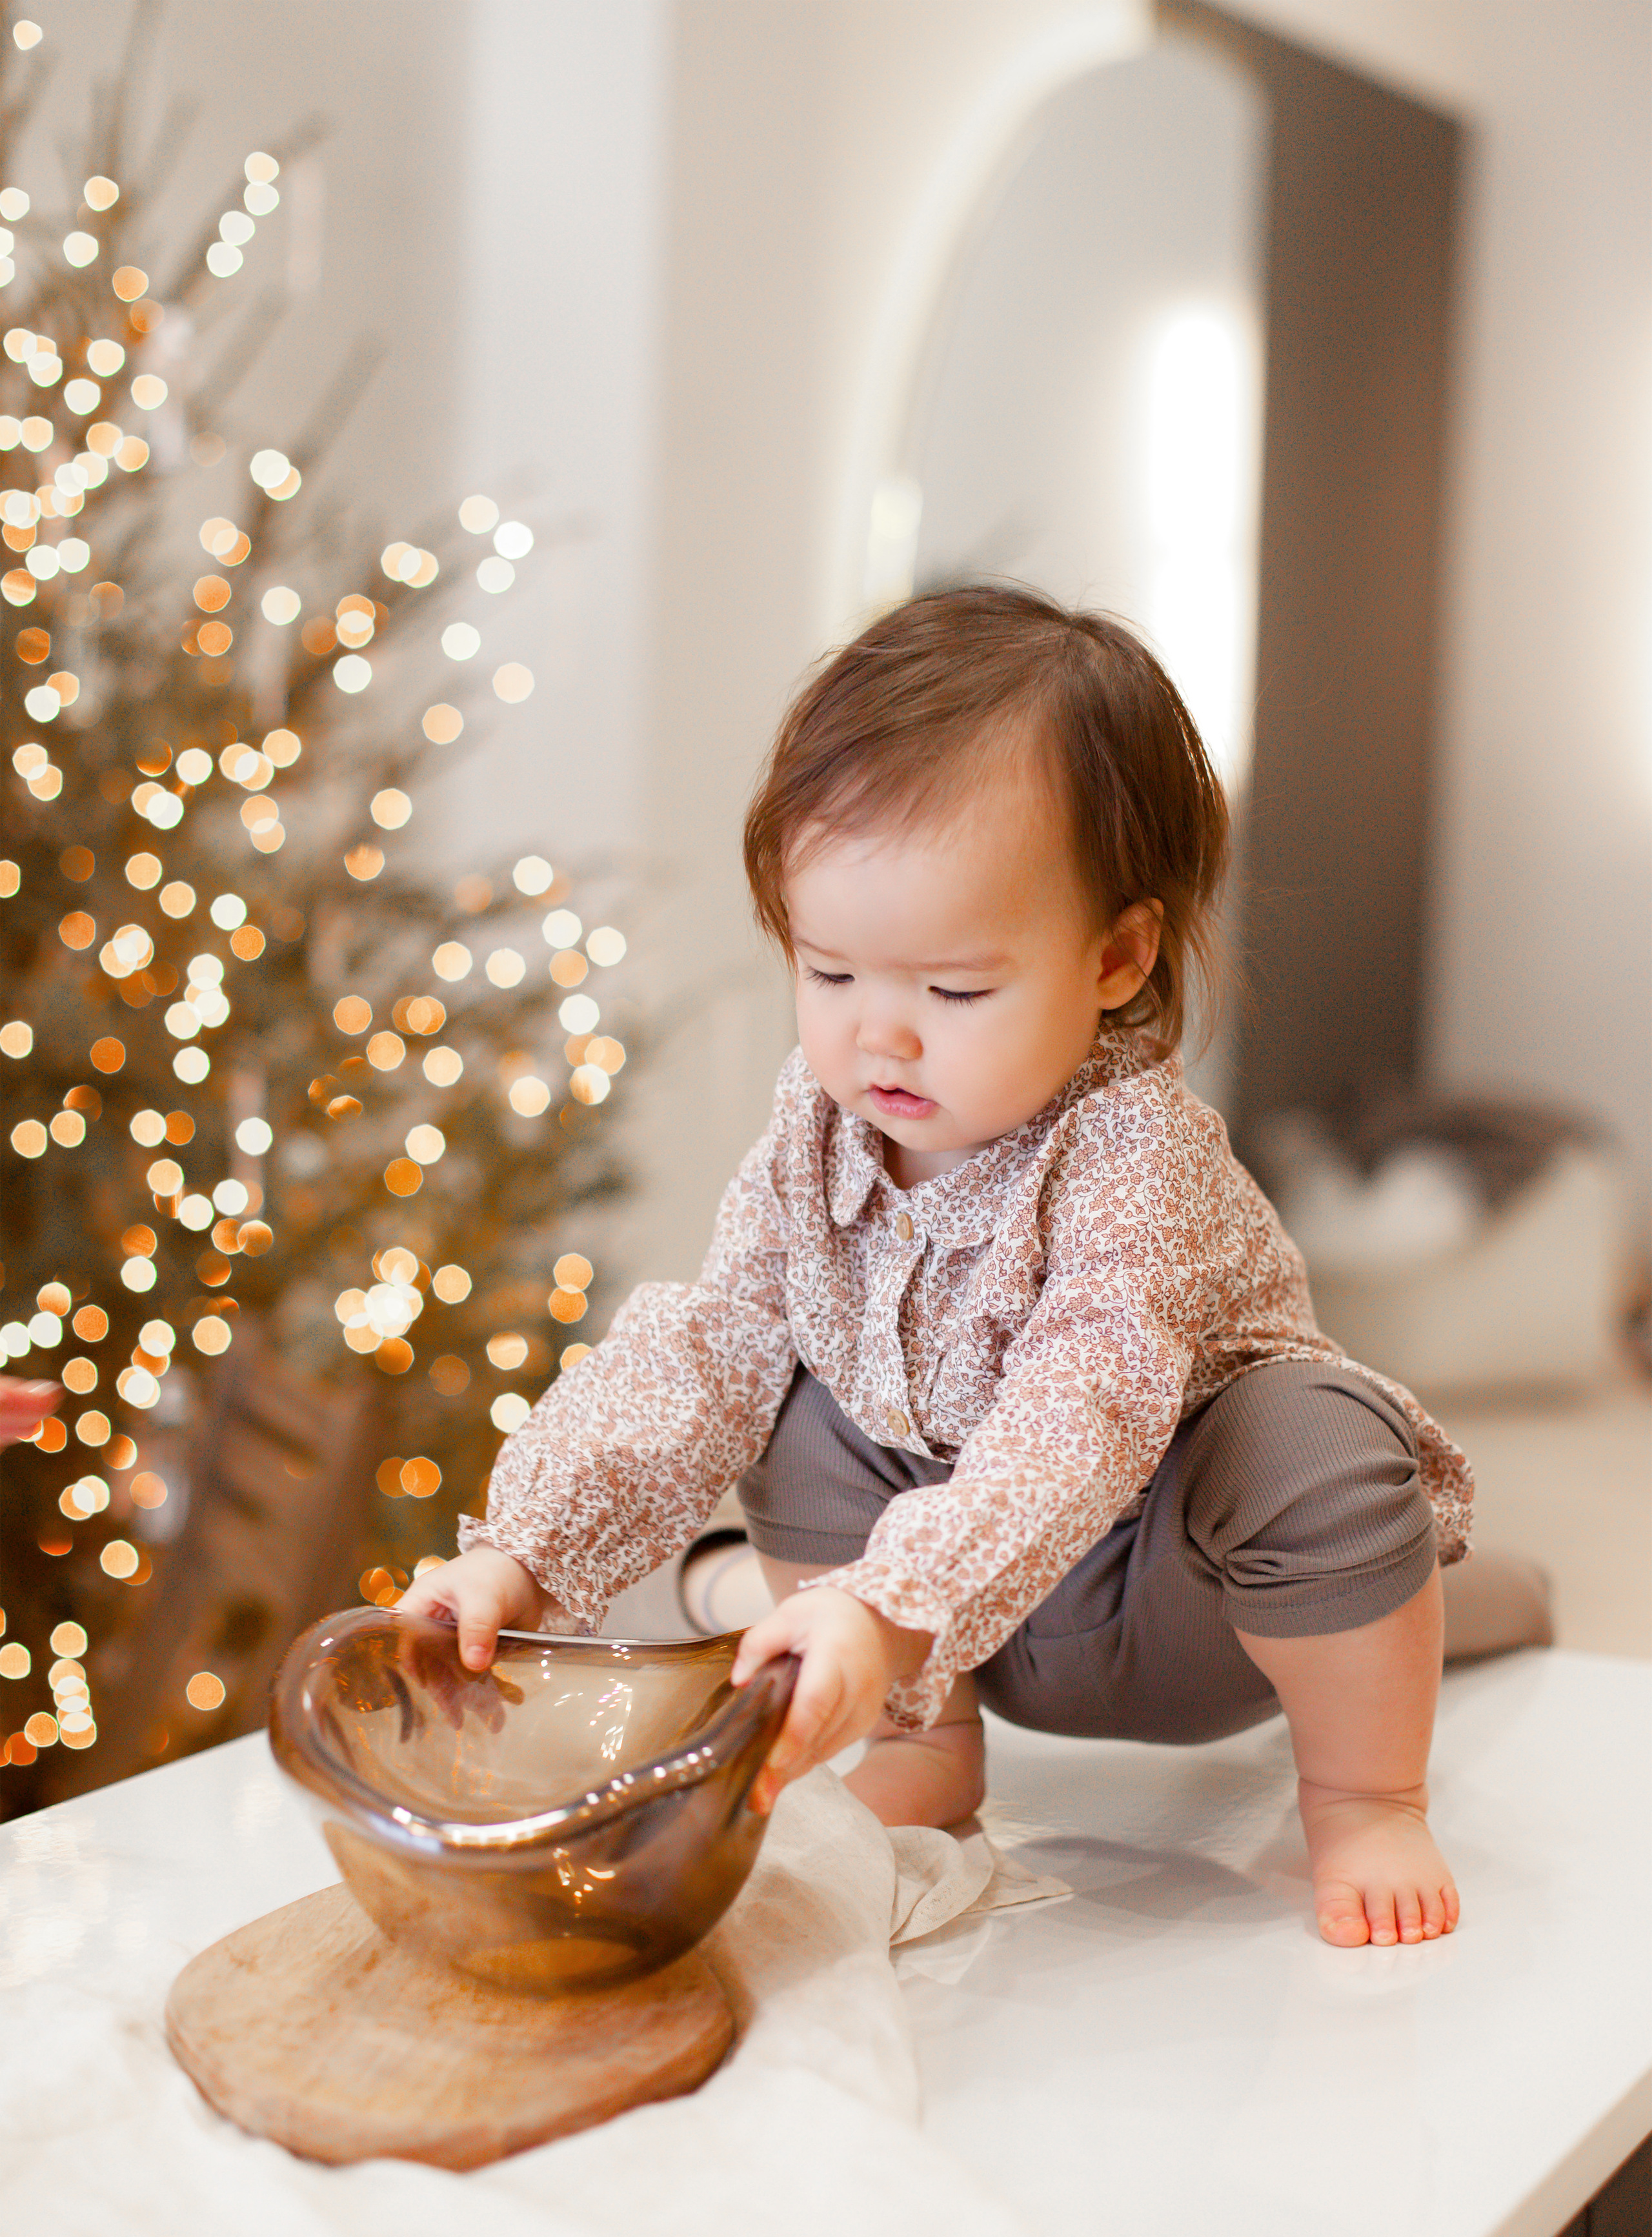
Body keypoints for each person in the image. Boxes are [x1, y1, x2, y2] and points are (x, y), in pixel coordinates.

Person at [400, 585, 1474, 1951]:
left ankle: (1365, 1789)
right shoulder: (817, 1128)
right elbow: (701, 1344)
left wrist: (889, 1604)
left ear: (1114, 955)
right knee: (777, 1384)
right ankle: (918, 1756)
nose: (877, 1039)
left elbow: (1078, 1421)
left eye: (949, 991)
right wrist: (521, 1559)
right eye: (829, 971)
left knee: (1313, 1446)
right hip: (936, 1629)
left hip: (1164, 1590)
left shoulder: (1131, 1153)